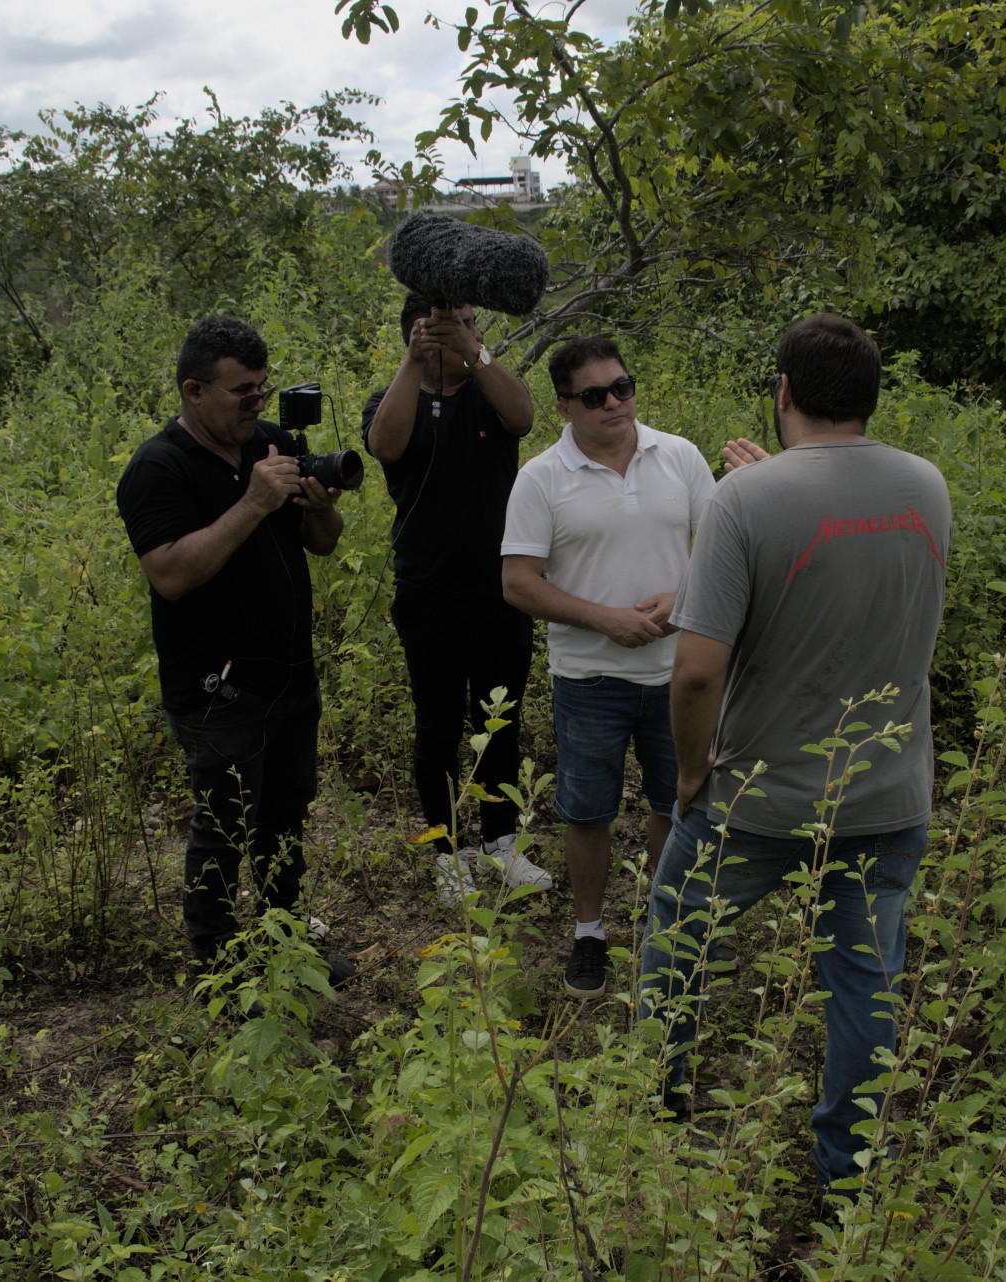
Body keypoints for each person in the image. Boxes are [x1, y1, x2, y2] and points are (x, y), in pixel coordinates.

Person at [637, 313, 953, 1198]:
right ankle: (844, 1182)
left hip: (759, 800)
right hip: (890, 796)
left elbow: (696, 672)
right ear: (871, 396)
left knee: (680, 943)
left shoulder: (746, 500)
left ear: (782, 392)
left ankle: (654, 1122)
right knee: (865, 982)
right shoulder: (926, 486)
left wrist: (691, 771)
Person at [115, 314, 353, 982]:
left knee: (285, 821)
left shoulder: (270, 445)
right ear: (194, 391)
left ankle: (287, 945)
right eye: (240, 391)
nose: (257, 402)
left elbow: (324, 542)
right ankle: (217, 965)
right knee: (222, 828)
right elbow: (170, 573)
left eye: (262, 387)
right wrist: (252, 503)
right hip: (219, 689)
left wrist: (316, 504)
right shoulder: (158, 468)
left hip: (289, 677)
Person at [502, 336, 716, 996]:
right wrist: (606, 618)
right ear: (564, 407)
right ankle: (589, 933)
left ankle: (661, 926)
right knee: (587, 812)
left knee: (674, 802)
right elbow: (517, 582)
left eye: (622, 386)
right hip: (588, 678)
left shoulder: (678, 457)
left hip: (678, 672)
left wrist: (683, 603)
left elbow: (721, 554)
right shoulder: (541, 477)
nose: (614, 403)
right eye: (594, 396)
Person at [362, 294, 553, 904]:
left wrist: (477, 353)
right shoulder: (394, 398)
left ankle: (501, 844)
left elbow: (523, 418)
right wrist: (413, 364)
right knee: (437, 726)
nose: (469, 332)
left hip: (502, 588)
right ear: (416, 334)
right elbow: (385, 446)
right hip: (427, 591)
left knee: (499, 721)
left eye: (473, 323)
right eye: (456, 326)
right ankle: (447, 854)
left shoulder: (488, 390)